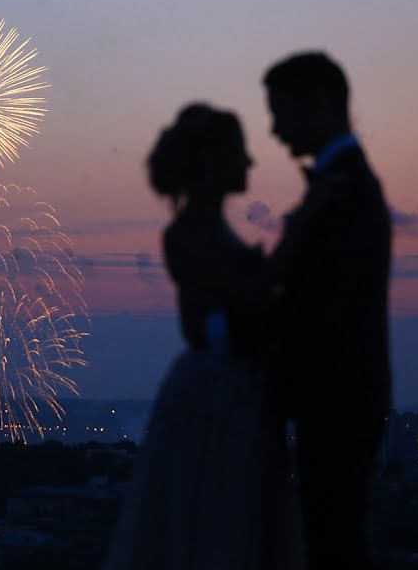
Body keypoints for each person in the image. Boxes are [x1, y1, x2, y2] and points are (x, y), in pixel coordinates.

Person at [105, 104, 304, 570]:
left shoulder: (205, 231)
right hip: (217, 399)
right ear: (213, 161)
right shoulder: (189, 234)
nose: (250, 163)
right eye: (240, 152)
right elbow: (234, 312)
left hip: (232, 393)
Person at [263, 51, 392, 570]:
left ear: (317, 105)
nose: (273, 130)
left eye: (280, 112)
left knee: (332, 542)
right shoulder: (344, 183)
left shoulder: (346, 189)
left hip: (336, 393)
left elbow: (320, 306)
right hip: (339, 392)